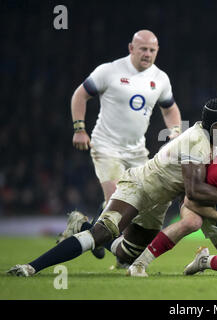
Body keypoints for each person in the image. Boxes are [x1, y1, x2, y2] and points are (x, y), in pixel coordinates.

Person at [7, 98, 217, 277]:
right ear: (207, 125)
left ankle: (80, 223)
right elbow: (194, 191)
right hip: (140, 186)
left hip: (161, 202)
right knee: (102, 234)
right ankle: (31, 267)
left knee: (127, 254)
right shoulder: (193, 140)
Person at [60, 30, 182, 259]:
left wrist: (175, 131)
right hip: (106, 147)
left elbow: (170, 108)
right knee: (117, 198)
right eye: (143, 49)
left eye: (152, 50)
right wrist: (79, 129)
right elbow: (80, 95)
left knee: (141, 204)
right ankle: (101, 240)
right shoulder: (109, 71)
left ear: (157, 52)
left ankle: (84, 227)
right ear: (131, 48)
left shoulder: (161, 78)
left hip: (137, 151)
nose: (147, 54)